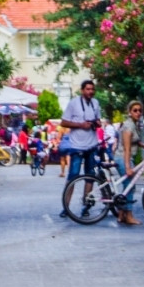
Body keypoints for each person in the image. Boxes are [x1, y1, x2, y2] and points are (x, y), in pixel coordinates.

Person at [60, 80, 103, 212]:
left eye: (92, 89)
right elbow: (63, 122)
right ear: (82, 90)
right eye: (88, 89)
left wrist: (97, 123)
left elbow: (98, 120)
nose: (90, 91)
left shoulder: (95, 103)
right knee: (73, 176)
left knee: (90, 176)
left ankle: (86, 205)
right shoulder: (74, 103)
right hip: (77, 145)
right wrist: (80, 125)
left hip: (92, 145)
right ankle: (66, 207)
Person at [111, 98, 144, 226]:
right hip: (123, 158)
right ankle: (129, 216)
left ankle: (121, 215)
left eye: (140, 110)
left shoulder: (133, 124)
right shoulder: (128, 126)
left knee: (126, 187)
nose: (138, 112)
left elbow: (134, 141)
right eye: (135, 110)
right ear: (130, 112)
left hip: (125, 157)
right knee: (130, 187)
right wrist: (127, 167)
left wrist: (143, 145)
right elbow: (126, 148)